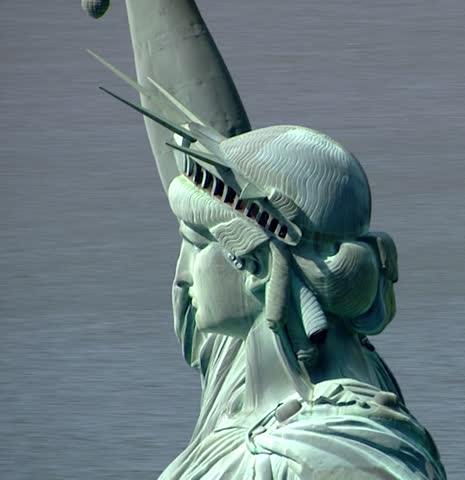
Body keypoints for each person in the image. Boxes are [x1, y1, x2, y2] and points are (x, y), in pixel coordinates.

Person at [90, 2, 445, 478]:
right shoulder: (264, 362)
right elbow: (197, 123)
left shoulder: (342, 459)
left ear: (254, 263)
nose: (186, 271)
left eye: (202, 243)